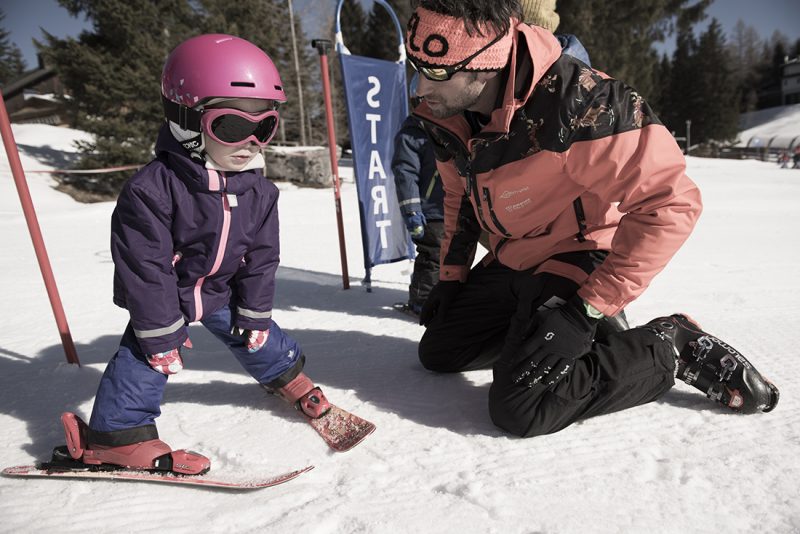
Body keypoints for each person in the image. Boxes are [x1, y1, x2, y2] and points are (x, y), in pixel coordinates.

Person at [405, 0, 779, 438]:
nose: (418, 89)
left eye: (433, 74)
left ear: (481, 66)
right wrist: (451, 275)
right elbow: (459, 193)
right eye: (415, 67)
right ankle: (564, 327)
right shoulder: (445, 112)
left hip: (579, 255)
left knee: (521, 408)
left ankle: (669, 346)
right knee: (440, 352)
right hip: (516, 258)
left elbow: (670, 203)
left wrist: (584, 311)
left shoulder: (580, 103)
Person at [59, 34, 331, 475]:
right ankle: (115, 435)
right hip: (169, 298)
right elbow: (144, 267)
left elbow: (263, 257)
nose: (252, 142)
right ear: (186, 121)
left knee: (257, 333)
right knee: (148, 355)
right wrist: (160, 331)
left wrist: (257, 312)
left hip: (220, 291)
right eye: (232, 126)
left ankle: (287, 376)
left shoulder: (260, 191)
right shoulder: (153, 190)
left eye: (265, 127)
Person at [392, 74, 446, 316]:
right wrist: (412, 211)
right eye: (425, 100)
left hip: (453, 206)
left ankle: (438, 298)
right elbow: (405, 173)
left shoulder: (450, 128)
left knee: (449, 258)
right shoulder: (413, 133)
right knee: (433, 256)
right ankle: (423, 302)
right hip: (430, 211)